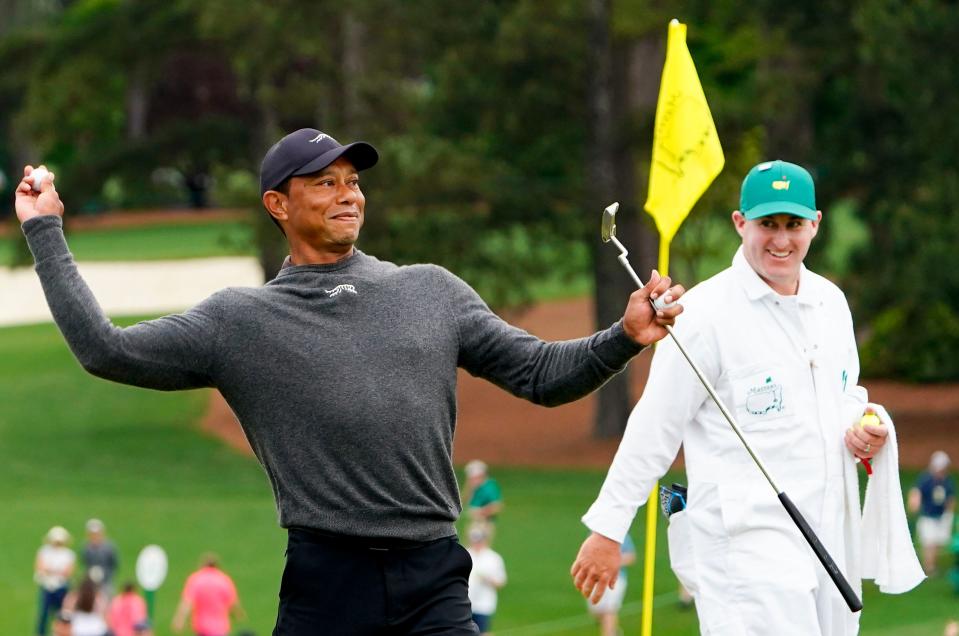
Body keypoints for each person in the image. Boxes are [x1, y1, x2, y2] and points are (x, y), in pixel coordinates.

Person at [15, 128, 684, 635]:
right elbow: (105, 351)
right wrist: (45, 230)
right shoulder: (239, 320)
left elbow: (540, 375)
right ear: (278, 203)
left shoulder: (430, 290)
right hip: (325, 583)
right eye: (325, 182)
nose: (349, 194)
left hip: (434, 577)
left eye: (353, 181)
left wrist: (620, 337)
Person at [571, 160, 923, 635]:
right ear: (741, 224)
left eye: (793, 225)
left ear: (815, 225)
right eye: (767, 225)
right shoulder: (704, 314)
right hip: (745, 547)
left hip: (829, 535)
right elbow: (655, 428)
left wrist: (862, 428)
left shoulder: (831, 305)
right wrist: (608, 529)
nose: (781, 240)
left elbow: (844, 395)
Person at [172, 554, 244, 636]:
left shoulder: (196, 579)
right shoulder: (224, 580)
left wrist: (179, 620)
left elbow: (187, 603)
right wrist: (238, 614)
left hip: (202, 627)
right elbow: (233, 603)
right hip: (221, 628)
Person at [908, 450, 955, 574]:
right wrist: (914, 504)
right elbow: (916, 492)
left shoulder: (946, 481)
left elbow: (950, 497)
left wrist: (948, 514)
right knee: (929, 542)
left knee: (937, 543)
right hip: (928, 516)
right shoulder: (926, 479)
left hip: (940, 516)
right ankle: (929, 567)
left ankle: (931, 564)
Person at [586, 532, 635, 636]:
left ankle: (609, 633)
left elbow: (631, 556)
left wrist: (613, 561)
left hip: (616, 578)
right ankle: (612, 630)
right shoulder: (594, 534)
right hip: (596, 578)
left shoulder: (622, 535)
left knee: (609, 609)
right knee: (596, 610)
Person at [465, 524, 506, 635]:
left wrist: (488, 579)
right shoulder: (465, 554)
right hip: (465, 602)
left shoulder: (493, 558)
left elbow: (500, 582)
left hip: (484, 604)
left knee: (483, 632)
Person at [35, 526, 76, 636]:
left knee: (61, 614)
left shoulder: (68, 554)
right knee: (44, 614)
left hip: (61, 587)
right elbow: (41, 568)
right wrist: (56, 571)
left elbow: (67, 572)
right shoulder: (44, 552)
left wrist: (51, 570)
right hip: (47, 586)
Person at [81, 519, 118, 596]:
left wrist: (107, 574)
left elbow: (114, 563)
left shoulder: (109, 547)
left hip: (106, 581)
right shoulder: (86, 547)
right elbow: (85, 562)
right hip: (91, 581)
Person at [464, 460, 503, 526]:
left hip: (483, 522)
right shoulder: (475, 487)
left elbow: (497, 506)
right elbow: (464, 500)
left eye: (473, 477)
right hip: (473, 520)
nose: (470, 480)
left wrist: (480, 512)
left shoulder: (489, 487)